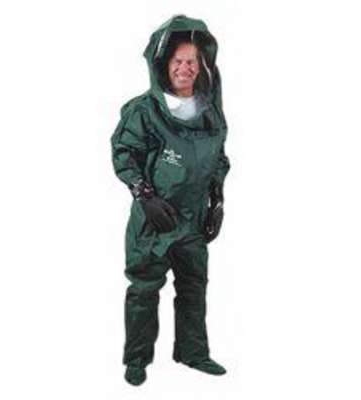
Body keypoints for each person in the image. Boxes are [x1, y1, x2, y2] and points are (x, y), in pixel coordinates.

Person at [111, 14, 231, 386]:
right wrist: (144, 195)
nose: (185, 68)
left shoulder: (209, 111)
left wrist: (217, 201)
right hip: (155, 221)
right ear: (163, 64)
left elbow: (218, 158)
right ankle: (137, 360)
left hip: (193, 220)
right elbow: (125, 153)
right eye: (178, 60)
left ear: (202, 65)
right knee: (144, 290)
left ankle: (193, 353)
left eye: (192, 61)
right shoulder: (144, 111)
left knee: (194, 286)